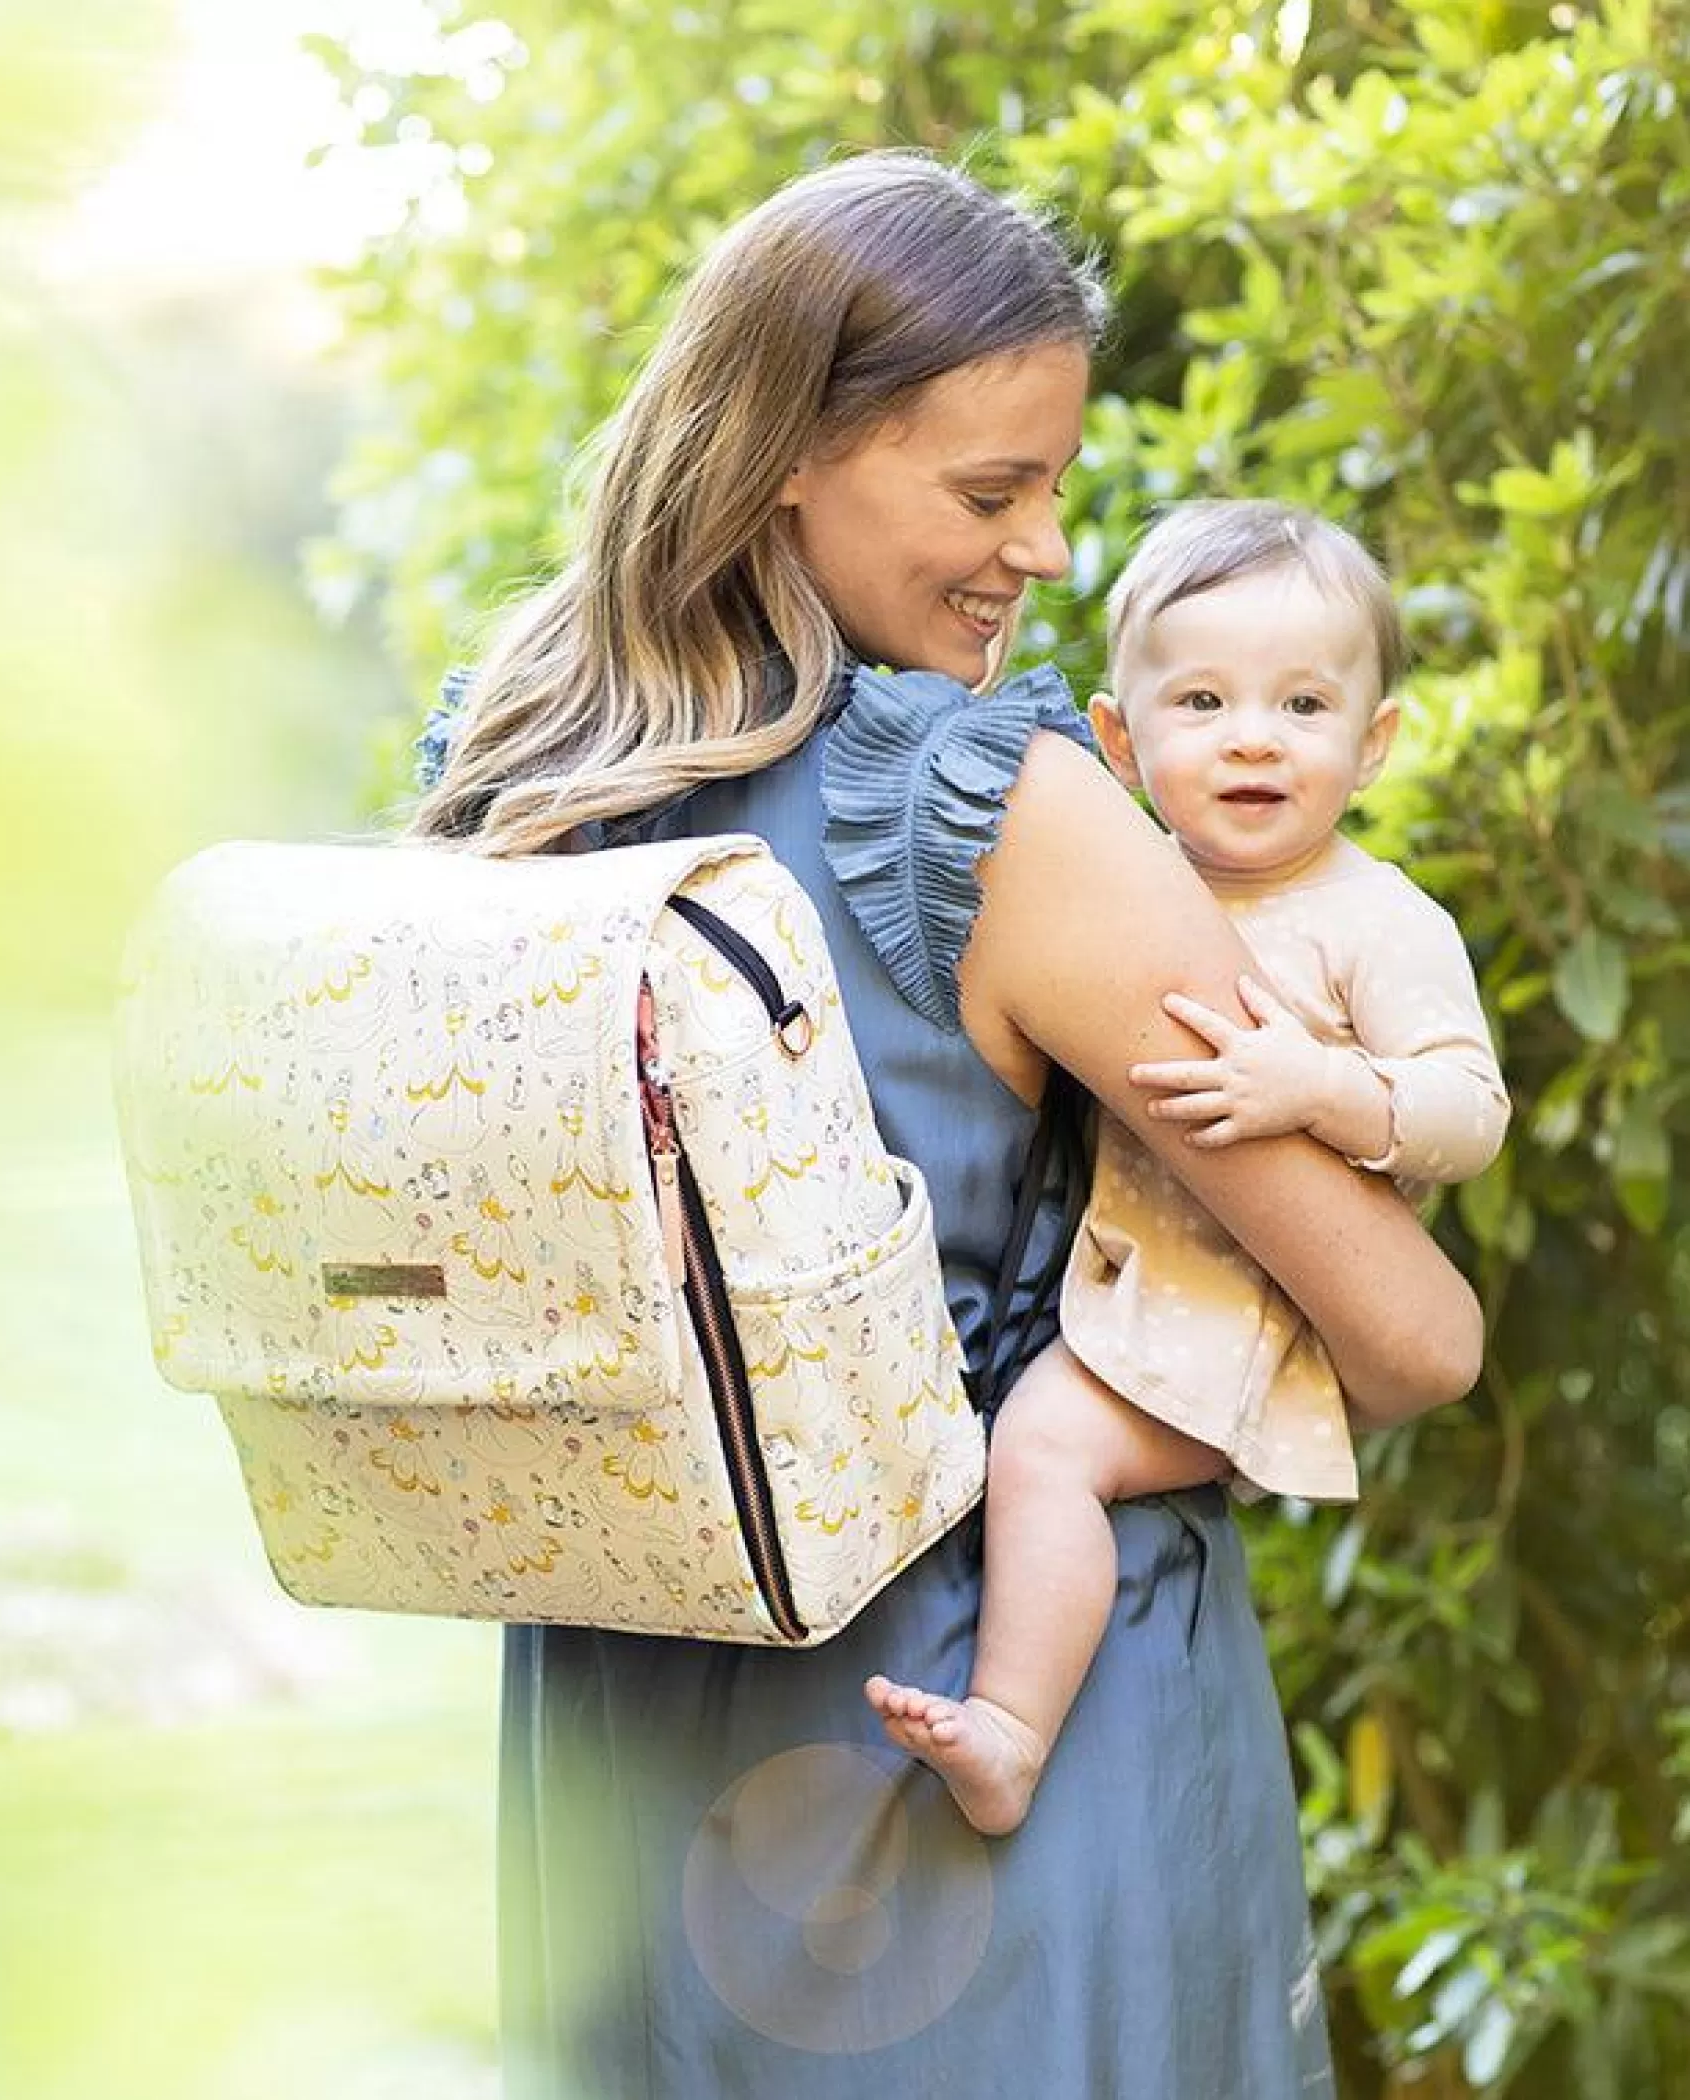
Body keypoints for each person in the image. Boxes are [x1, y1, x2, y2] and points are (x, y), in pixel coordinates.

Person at [412, 150, 1484, 2098]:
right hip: (989, 1760)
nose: (1053, 551)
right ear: (788, 455)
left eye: (1056, 487)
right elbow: (1406, 1338)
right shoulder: (997, 809)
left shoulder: (515, 777)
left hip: (625, 1753)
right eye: (997, 491)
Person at [865, 499, 1510, 1837]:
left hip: (1243, 1314)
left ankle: (1010, 1735)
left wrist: (1323, 1089)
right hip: (1137, 1278)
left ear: (1374, 740)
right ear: (1119, 739)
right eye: (1205, 700)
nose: (1254, 736)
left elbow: (1469, 1109)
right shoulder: (1126, 882)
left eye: (1304, 705)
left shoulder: (1374, 917)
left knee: (1045, 1452)